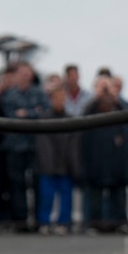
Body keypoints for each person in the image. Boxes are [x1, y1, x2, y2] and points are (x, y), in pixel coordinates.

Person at [80, 73, 128, 233]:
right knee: (95, 196)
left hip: (116, 161)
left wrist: (114, 97)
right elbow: (83, 117)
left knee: (118, 195)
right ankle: (93, 224)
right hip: (96, 161)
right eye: (101, 87)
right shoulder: (90, 110)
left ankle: (119, 223)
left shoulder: (121, 108)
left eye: (108, 87)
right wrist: (97, 97)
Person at [0, 62, 48, 231]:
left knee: (36, 183)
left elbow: (45, 113)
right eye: (23, 73)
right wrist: (34, 112)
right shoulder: (9, 95)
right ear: (17, 75)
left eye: (29, 73)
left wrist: (26, 113)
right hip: (14, 146)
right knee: (16, 184)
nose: (26, 76)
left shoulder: (39, 93)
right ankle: (21, 221)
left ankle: (37, 221)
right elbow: (11, 115)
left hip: (34, 145)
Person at [34, 80, 82, 234]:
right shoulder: (44, 118)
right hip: (48, 165)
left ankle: (64, 223)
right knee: (46, 196)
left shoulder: (70, 119)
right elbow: (42, 145)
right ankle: (44, 222)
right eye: (57, 98)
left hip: (65, 164)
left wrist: (73, 165)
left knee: (66, 198)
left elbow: (74, 145)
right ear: (51, 99)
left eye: (62, 98)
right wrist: (45, 163)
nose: (60, 101)